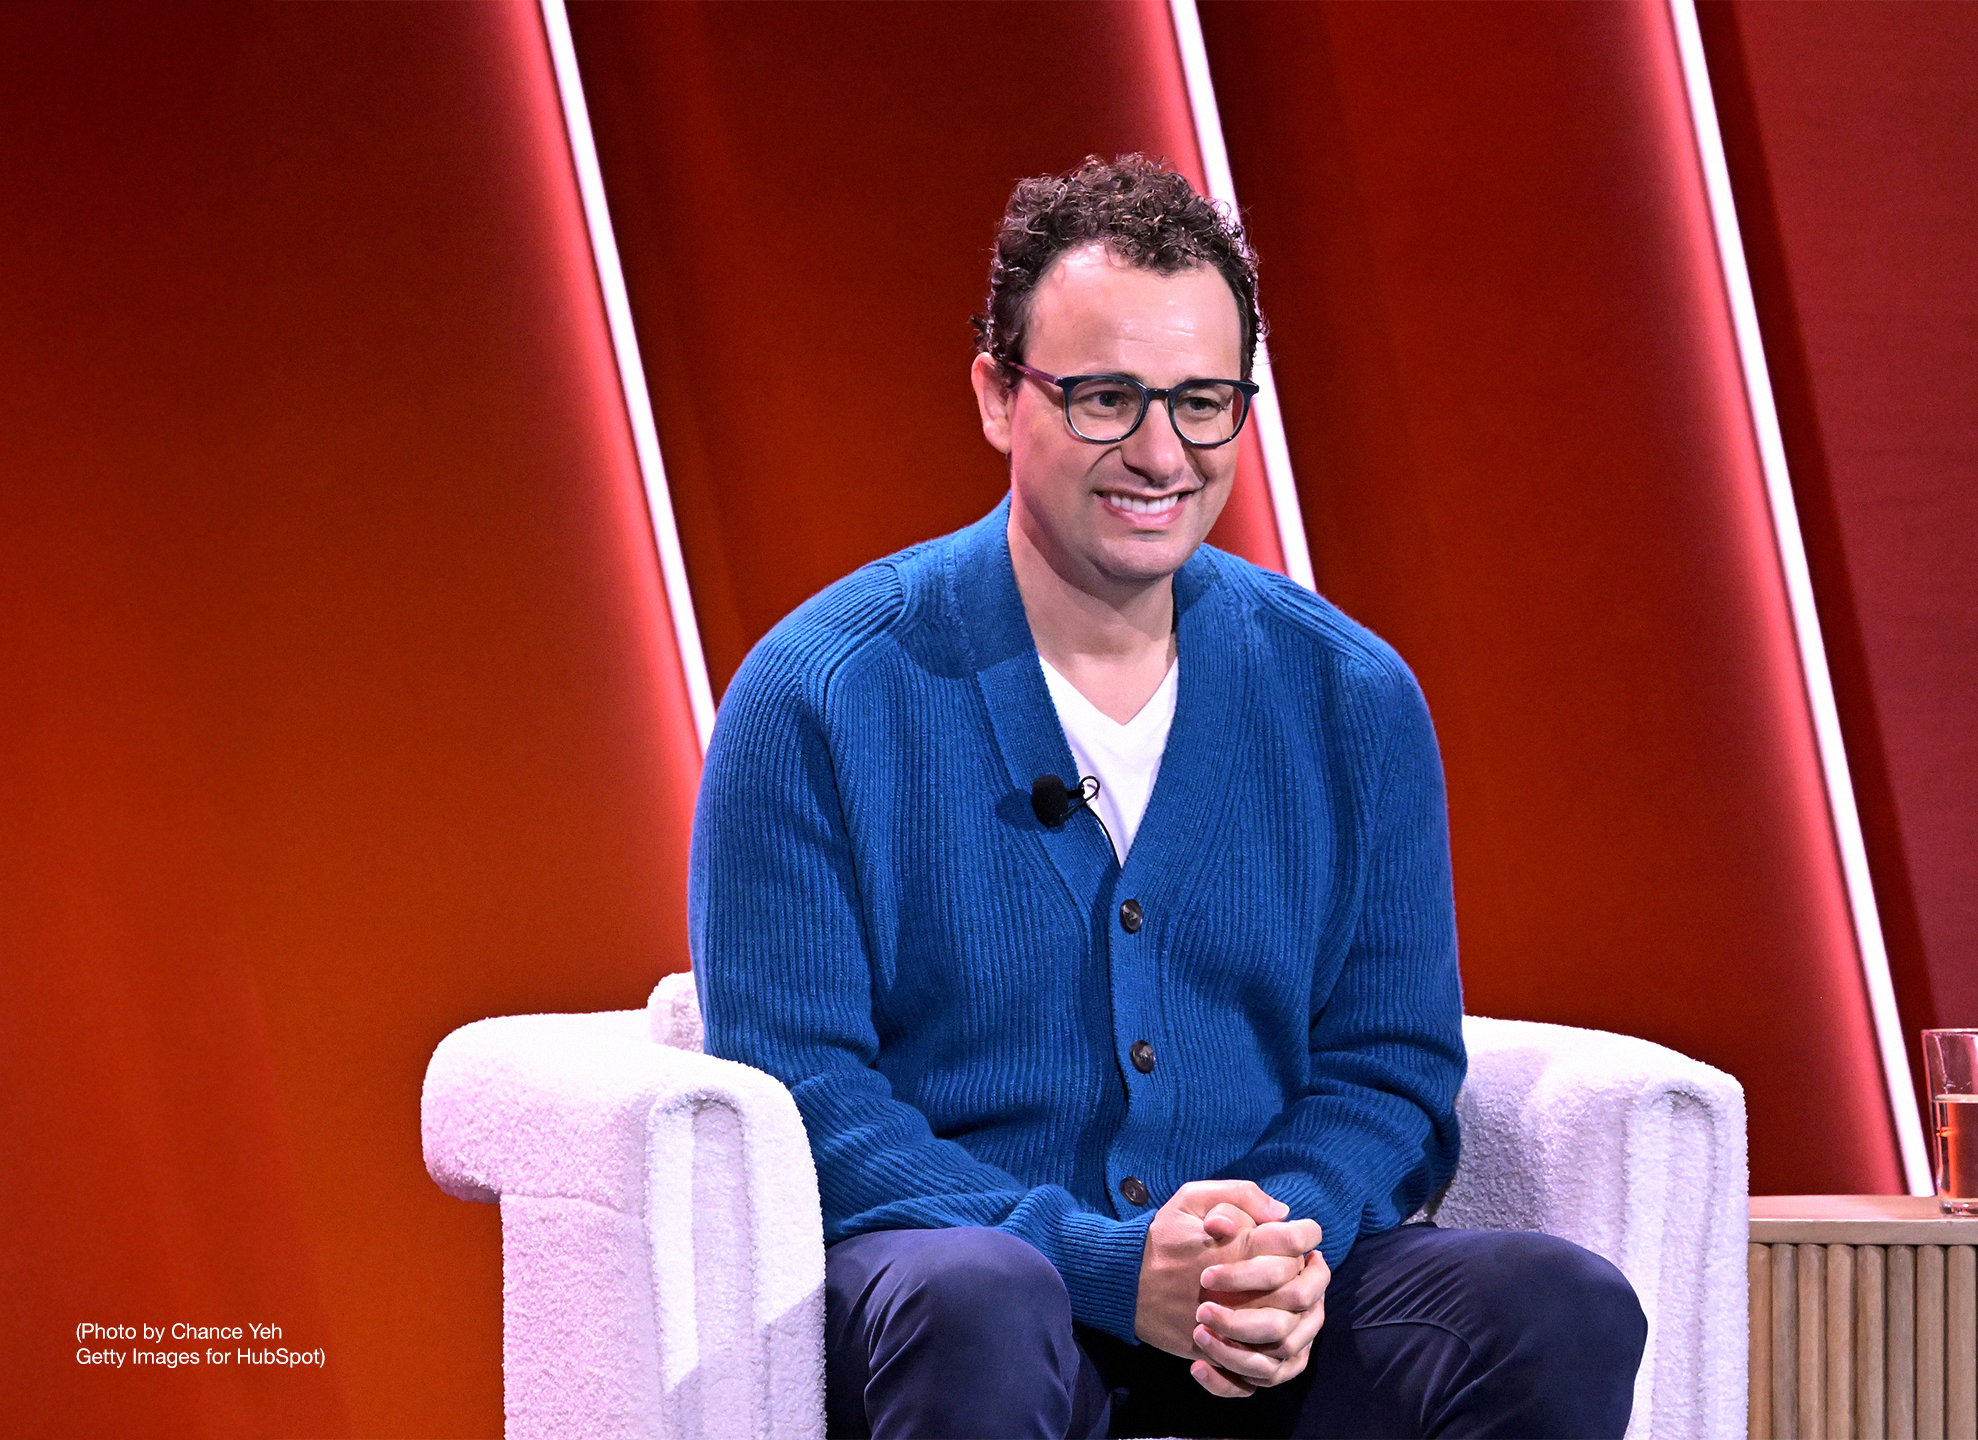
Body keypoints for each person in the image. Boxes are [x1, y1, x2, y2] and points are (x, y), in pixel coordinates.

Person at [689, 155, 1646, 1440]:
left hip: (1257, 1310)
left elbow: (1390, 1061)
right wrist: (1100, 1265)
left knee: (1555, 1303)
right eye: (1103, 399)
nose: (1160, 454)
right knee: (978, 1298)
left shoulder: (1349, 696)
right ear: (995, 394)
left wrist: (1277, 1242)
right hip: (959, 1287)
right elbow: (798, 1086)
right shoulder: (820, 694)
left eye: (1204, 403)